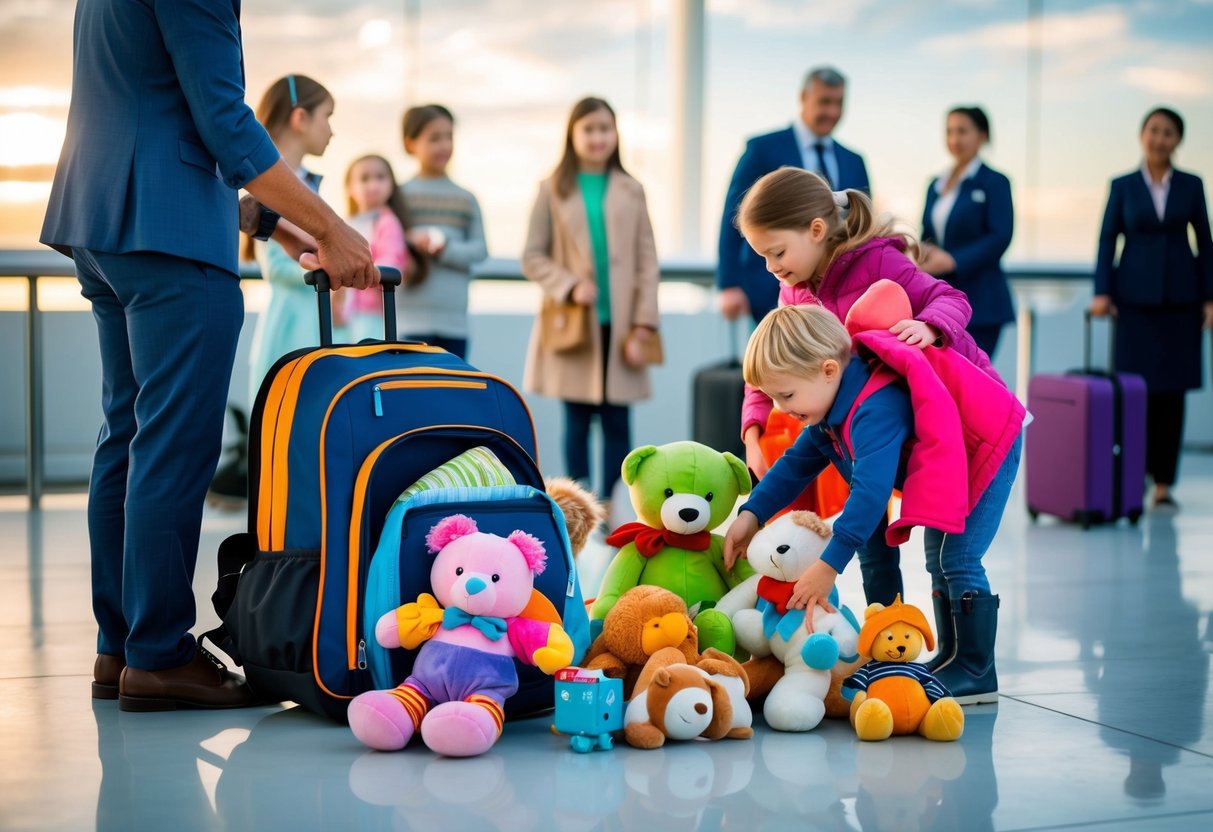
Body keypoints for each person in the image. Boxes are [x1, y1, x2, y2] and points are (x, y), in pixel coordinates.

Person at [39, 0, 376, 711]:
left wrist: (271, 222)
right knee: (172, 445)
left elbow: (153, 107)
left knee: (126, 437)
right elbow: (223, 121)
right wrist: (331, 228)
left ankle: (122, 644)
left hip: (104, 221)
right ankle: (159, 654)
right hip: (171, 234)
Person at [723, 304, 1023, 703]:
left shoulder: (873, 408)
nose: (780, 408)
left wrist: (828, 566)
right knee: (939, 560)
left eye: (787, 394)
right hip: (954, 459)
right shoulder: (829, 411)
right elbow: (794, 466)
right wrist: (751, 513)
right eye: (773, 397)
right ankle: (950, 659)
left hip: (987, 445)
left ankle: (975, 669)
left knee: (959, 558)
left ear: (829, 370)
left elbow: (869, 495)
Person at [736, 166, 1000, 612]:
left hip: (950, 421)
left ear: (816, 230)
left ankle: (947, 654)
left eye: (777, 252)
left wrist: (927, 325)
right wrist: (753, 430)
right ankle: (887, 638)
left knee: (947, 555)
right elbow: (771, 364)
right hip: (854, 426)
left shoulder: (879, 261)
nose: (772, 268)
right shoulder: (793, 291)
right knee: (871, 544)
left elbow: (952, 299)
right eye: (763, 256)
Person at [521, 97, 660, 501]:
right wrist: (568, 284)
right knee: (577, 422)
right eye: (589, 129)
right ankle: (581, 510)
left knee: (619, 423)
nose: (598, 137)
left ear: (615, 134)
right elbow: (532, 255)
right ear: (573, 135)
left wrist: (645, 322)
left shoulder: (632, 189)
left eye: (605, 128)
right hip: (573, 323)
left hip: (622, 324)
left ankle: (617, 508)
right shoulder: (552, 189)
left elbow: (647, 260)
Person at [1091, 106, 1213, 509]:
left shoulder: (1192, 185)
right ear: (1142, 134)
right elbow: (1108, 238)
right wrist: (1102, 292)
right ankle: (1134, 475)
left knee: (1172, 391)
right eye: (1153, 130)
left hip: (1182, 299)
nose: (1159, 138)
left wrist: (1210, 298)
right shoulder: (1123, 185)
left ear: (1178, 140)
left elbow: (1205, 243)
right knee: (1134, 389)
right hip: (1134, 301)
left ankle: (1163, 482)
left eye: (1168, 133)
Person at [717, 66, 871, 325]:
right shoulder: (762, 149)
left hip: (843, 294)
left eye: (838, 103)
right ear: (803, 98)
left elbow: (861, 224)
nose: (832, 112)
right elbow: (733, 216)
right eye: (824, 102)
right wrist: (729, 284)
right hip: (771, 290)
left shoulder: (854, 161)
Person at [246, 74, 341, 404]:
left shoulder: (305, 183)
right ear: (300, 118)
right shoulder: (272, 184)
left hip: (315, 317)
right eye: (327, 116)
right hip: (292, 324)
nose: (331, 130)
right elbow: (275, 264)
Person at [920, 106, 1015, 358]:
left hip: (982, 302)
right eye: (949, 131)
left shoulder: (995, 182)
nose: (954, 139)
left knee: (973, 380)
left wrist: (953, 260)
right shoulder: (935, 184)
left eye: (962, 131)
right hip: (941, 301)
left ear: (982, 136)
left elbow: (1000, 236)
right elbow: (926, 232)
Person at [398, 104, 488, 358]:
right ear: (410, 143)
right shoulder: (398, 196)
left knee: (452, 394)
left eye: (449, 137)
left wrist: (444, 249)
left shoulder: (466, 198)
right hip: (407, 321)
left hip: (455, 322)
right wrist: (412, 241)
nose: (444, 145)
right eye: (434, 138)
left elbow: (480, 251)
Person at [340, 154, 420, 342]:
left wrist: (358, 272)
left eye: (380, 177)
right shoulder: (345, 225)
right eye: (364, 178)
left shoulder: (388, 222)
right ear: (349, 188)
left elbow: (390, 265)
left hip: (374, 314)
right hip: (347, 315)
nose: (373, 185)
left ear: (391, 185)